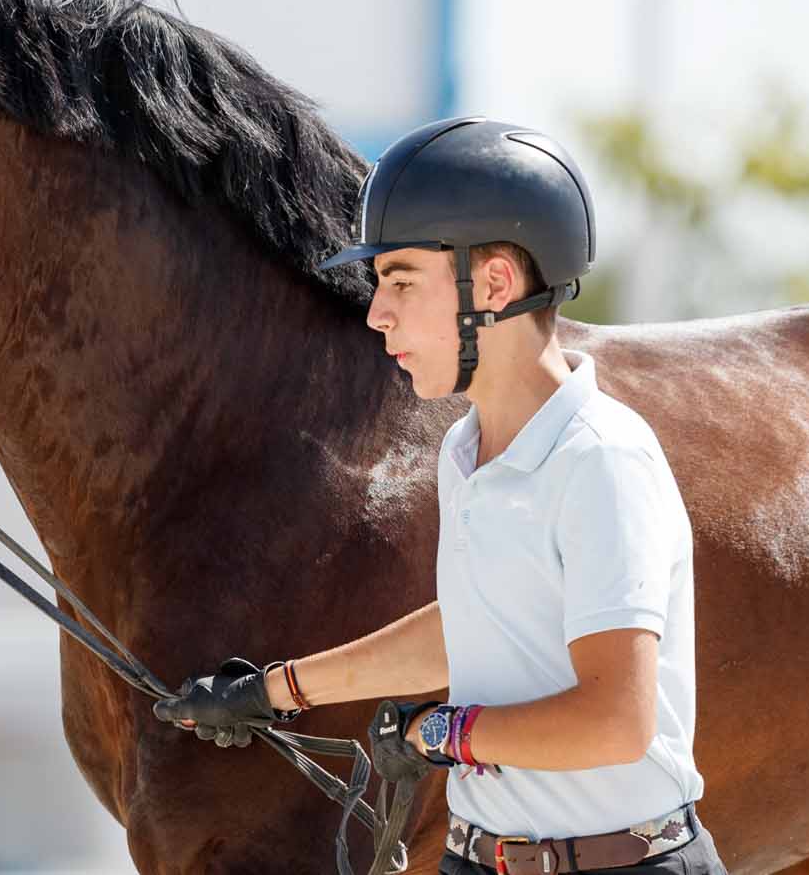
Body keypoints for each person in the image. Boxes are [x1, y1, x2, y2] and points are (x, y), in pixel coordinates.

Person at [153, 117, 726, 875]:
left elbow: (614, 722)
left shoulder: (601, 460)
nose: (375, 313)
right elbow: (476, 622)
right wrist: (274, 691)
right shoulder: (465, 449)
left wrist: (442, 733)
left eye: (400, 281)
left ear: (493, 284)